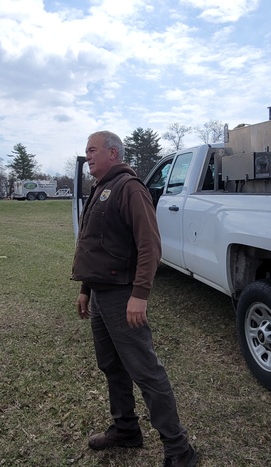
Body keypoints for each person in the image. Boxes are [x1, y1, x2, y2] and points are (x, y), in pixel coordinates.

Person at [71, 130, 199, 467]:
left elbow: (150, 246)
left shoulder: (130, 188)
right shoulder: (99, 189)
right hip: (100, 295)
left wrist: (139, 294)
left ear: (113, 153)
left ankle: (179, 449)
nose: (88, 157)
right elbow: (93, 245)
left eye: (93, 150)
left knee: (145, 371)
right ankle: (126, 429)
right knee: (112, 367)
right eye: (86, 151)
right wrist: (85, 288)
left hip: (122, 295)